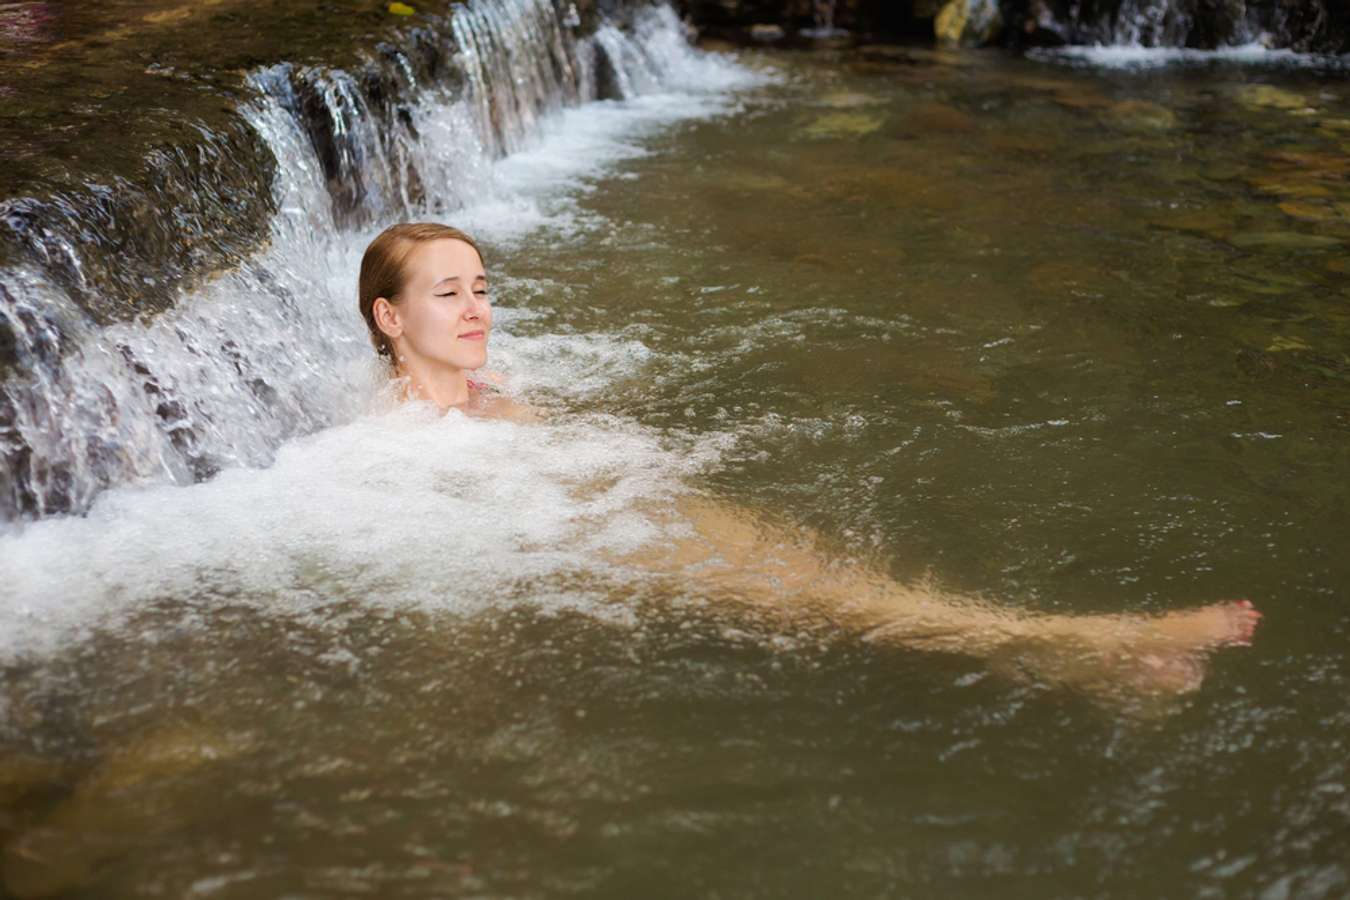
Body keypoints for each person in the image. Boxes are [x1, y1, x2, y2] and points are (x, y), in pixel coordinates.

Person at [358, 222, 1261, 700]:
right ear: (391, 318)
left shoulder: (480, 392)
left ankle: (1070, 669)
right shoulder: (403, 439)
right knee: (846, 599)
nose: (477, 309)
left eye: (483, 289)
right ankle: (1102, 639)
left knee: (846, 578)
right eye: (449, 294)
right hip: (608, 546)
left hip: (632, 512)